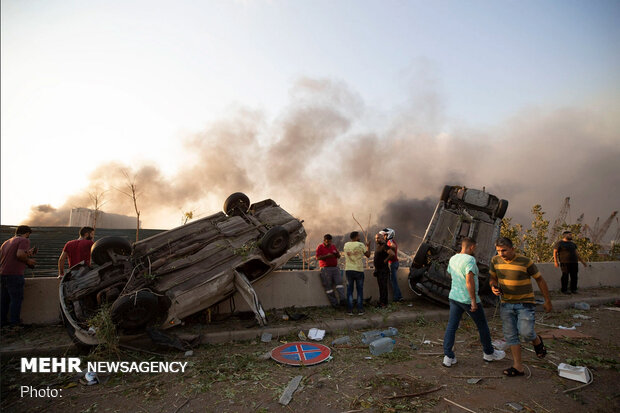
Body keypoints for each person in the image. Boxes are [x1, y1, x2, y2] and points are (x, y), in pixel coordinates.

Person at [489, 237, 552, 377]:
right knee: (511, 335)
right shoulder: (495, 261)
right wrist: (493, 286)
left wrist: (547, 300)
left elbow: (540, 279)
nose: (501, 253)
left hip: (525, 304)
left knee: (526, 333)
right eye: (498, 250)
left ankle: (536, 340)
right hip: (506, 304)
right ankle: (518, 367)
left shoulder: (525, 261)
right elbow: (492, 278)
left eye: (504, 250)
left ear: (512, 249)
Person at [442, 237, 505, 367]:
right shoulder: (470, 260)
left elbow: (450, 274)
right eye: (475, 248)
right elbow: (469, 281)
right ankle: (489, 353)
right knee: (482, 326)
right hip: (467, 299)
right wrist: (473, 301)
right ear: (471, 247)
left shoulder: (453, 258)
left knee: (452, 326)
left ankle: (448, 356)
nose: (474, 250)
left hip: (454, 297)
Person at [1, 225, 36, 328]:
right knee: (16, 299)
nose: (28, 237)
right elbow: (20, 255)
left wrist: (28, 254)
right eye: (28, 235)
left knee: (4, 300)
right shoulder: (24, 240)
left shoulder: (6, 242)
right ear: (26, 233)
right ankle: (15, 323)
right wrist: (29, 261)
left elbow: (10, 257)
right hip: (15, 274)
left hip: (3, 274)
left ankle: (2, 322)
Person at [343, 231, 370, 315]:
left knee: (349, 291)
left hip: (349, 270)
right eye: (358, 236)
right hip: (358, 270)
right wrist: (368, 246)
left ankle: (350, 310)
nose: (359, 237)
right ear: (356, 237)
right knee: (359, 291)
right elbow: (368, 255)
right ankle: (360, 310)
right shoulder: (361, 245)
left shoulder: (346, 245)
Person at [316, 234, 345, 308]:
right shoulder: (320, 247)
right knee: (328, 287)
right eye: (328, 241)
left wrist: (337, 255)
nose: (329, 243)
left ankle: (343, 300)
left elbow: (338, 256)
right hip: (326, 269)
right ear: (324, 240)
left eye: (330, 241)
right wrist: (327, 256)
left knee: (339, 284)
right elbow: (318, 257)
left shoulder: (333, 246)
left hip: (335, 268)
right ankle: (335, 304)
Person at [381, 228, 403, 302]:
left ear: (389, 235)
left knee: (394, 281)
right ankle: (399, 296)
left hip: (393, 263)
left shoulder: (390, 241)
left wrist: (388, 247)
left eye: (385, 235)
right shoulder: (391, 241)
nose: (384, 237)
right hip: (394, 263)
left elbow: (393, 246)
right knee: (393, 281)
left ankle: (397, 297)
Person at [373, 233, 394, 308]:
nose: (376, 239)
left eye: (378, 238)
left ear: (382, 238)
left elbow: (392, 254)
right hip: (379, 270)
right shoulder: (379, 246)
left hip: (383, 270)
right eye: (375, 238)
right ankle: (381, 302)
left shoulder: (384, 246)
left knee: (383, 287)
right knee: (381, 287)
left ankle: (384, 304)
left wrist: (385, 261)